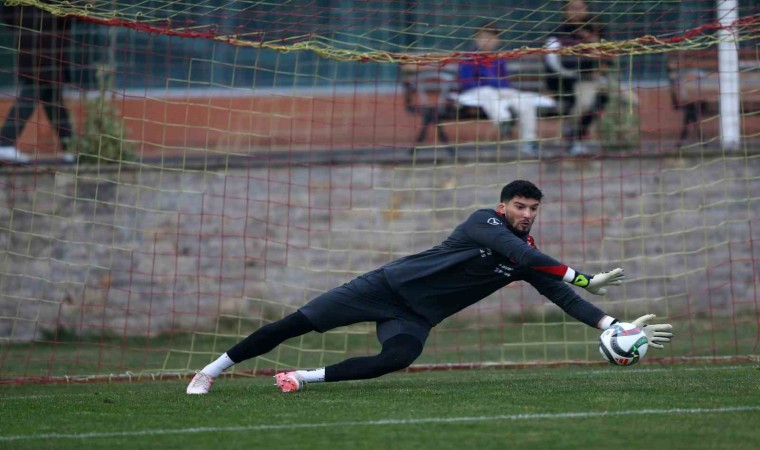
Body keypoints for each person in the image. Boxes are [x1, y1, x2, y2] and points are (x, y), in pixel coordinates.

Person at [187, 180, 673, 394]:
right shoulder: (483, 223)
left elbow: (559, 294)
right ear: (503, 207)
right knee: (295, 323)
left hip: (415, 316)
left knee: (396, 358)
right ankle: (210, 371)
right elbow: (529, 258)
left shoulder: (526, 252)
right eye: (520, 206)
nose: (526, 214)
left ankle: (300, 378)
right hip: (381, 288)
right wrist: (582, 275)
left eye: (533, 209)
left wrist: (614, 325)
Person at [456, 25, 554, 157]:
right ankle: (504, 121)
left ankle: (529, 141)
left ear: (497, 41)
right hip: (477, 91)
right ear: (476, 39)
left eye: (491, 38)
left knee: (523, 100)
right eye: (483, 38)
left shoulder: (499, 57)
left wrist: (500, 87)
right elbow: (467, 81)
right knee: (488, 94)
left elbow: (504, 80)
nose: (487, 41)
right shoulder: (468, 57)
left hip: (500, 90)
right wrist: (491, 84)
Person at [0, 4, 75, 163]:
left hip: (35, 42)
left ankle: (70, 147)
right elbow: (69, 10)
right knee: (37, 88)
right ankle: (4, 143)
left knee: (51, 96)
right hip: (45, 46)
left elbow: (8, 14)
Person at [544, 0, 608, 156]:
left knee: (623, 99)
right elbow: (555, 63)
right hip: (566, 82)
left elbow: (608, 59)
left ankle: (586, 136)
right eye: (572, 8)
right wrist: (583, 70)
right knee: (585, 102)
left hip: (594, 80)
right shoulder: (558, 33)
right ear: (565, 10)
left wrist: (596, 49)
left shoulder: (596, 30)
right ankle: (575, 138)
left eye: (580, 8)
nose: (577, 12)